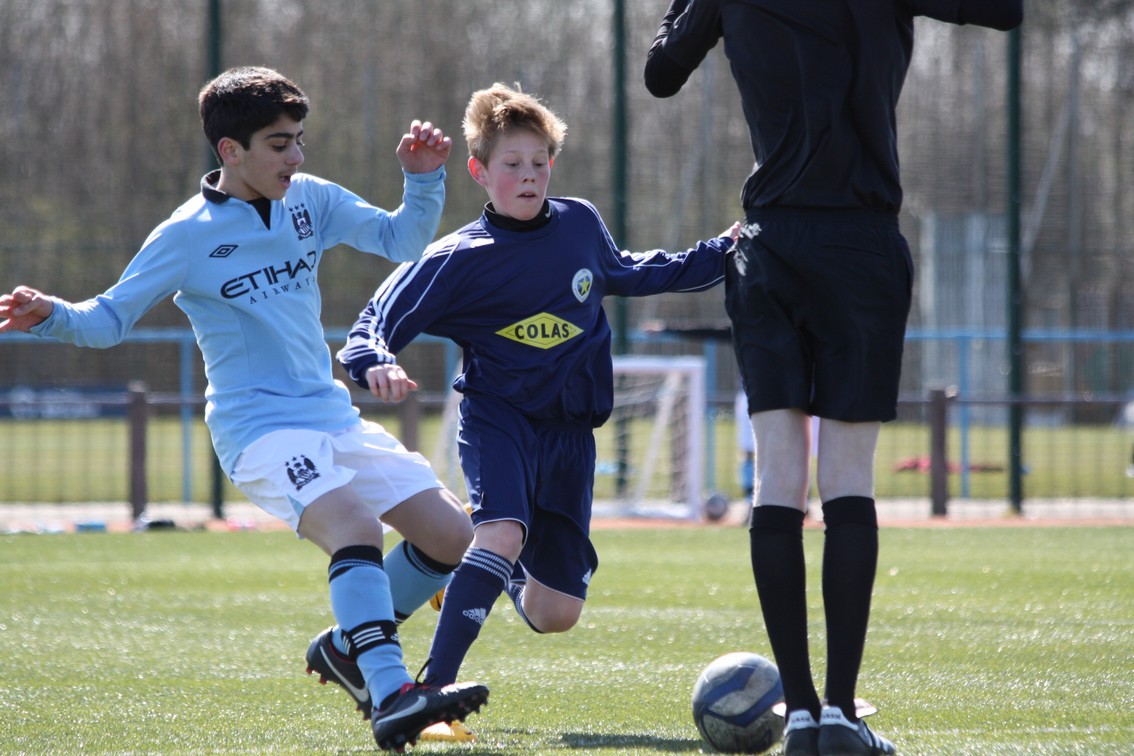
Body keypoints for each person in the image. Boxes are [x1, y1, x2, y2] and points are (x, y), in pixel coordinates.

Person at [0, 66, 487, 752]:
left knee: (450, 537)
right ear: (231, 152)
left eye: (298, 141)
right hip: (256, 429)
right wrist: (50, 314)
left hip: (329, 416)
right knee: (354, 528)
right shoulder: (185, 235)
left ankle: (348, 649)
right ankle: (390, 693)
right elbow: (108, 320)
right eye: (279, 144)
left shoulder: (310, 200)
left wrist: (423, 179)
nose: (296, 157)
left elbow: (401, 243)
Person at [644, 3, 1023, 755]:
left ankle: (806, 716)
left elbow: (660, 73)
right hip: (862, 246)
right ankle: (842, 713)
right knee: (848, 480)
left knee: (777, 482)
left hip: (771, 247)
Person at [336, 82, 738, 738]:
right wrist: (374, 361)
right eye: (512, 164)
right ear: (480, 172)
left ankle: (482, 568)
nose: (528, 176)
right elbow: (373, 321)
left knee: (556, 612)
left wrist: (721, 252)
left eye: (539, 163)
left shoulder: (578, 224)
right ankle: (428, 692)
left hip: (570, 436)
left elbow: (631, 271)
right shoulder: (456, 260)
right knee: (501, 533)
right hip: (499, 419)